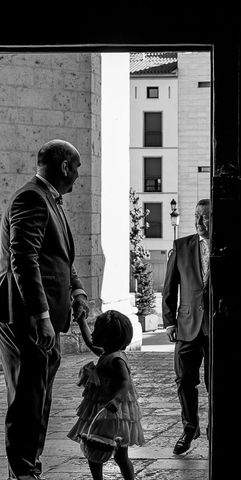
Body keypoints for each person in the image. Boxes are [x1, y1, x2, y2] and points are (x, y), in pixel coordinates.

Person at [0, 139, 90, 480]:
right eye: (77, 168)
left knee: (36, 404)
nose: (79, 176)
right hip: (27, 323)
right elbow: (23, 260)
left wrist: (77, 291)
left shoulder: (51, 201)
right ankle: (24, 474)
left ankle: (27, 470)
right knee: (26, 406)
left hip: (42, 324)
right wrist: (42, 317)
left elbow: (61, 260)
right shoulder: (31, 198)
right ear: (65, 166)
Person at [67, 310, 144, 480]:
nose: (93, 333)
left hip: (113, 412)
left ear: (108, 337)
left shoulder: (116, 359)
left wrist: (116, 400)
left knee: (111, 452)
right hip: (101, 408)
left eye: (97, 331)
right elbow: (90, 342)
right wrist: (82, 323)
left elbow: (126, 382)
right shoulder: (106, 354)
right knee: (96, 448)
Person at [162, 199, 211, 455]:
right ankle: (189, 429)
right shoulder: (181, 246)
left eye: (205, 217)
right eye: (196, 216)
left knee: (215, 382)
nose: (199, 222)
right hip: (186, 325)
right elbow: (169, 287)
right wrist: (169, 321)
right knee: (184, 380)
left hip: (216, 327)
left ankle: (216, 430)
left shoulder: (226, 247)